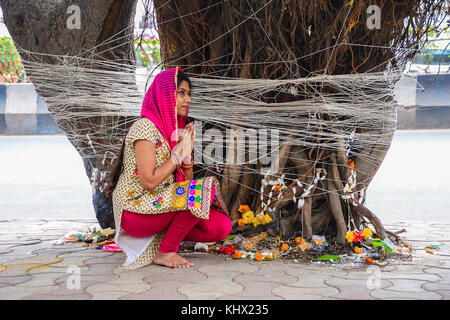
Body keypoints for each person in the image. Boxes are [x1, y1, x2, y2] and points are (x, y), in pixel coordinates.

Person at [106, 67, 231, 270]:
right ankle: (166, 252)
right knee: (200, 191)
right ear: (165, 94)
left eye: (189, 94)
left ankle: (165, 240)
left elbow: (184, 185)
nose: (188, 100)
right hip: (135, 208)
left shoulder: (171, 130)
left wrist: (187, 156)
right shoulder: (145, 127)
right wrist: (177, 154)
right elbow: (149, 182)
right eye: (181, 93)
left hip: (159, 205)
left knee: (219, 226)